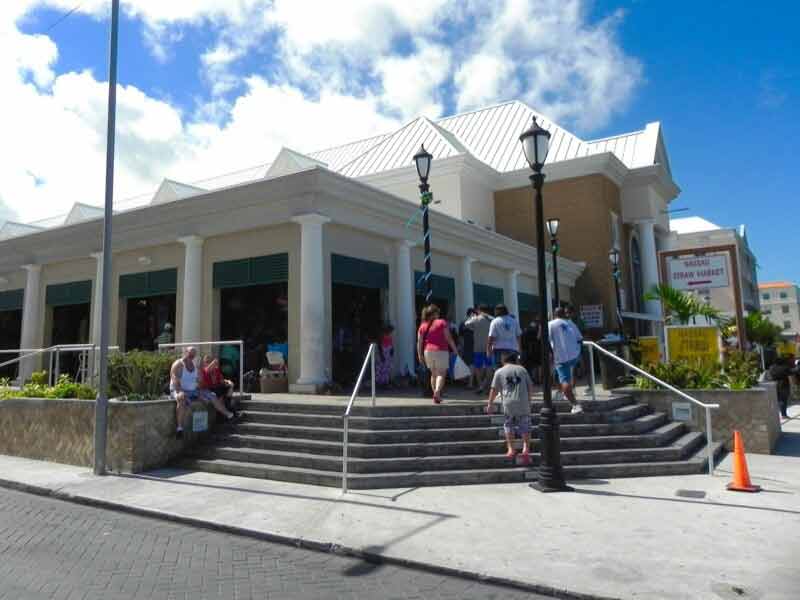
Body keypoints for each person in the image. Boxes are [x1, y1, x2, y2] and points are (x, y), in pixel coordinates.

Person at [170, 347, 238, 439]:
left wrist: (199, 392)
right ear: (185, 352)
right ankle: (179, 428)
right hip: (179, 389)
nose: (192, 356)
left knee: (212, 395)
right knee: (181, 400)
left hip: (193, 391)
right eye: (190, 353)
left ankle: (229, 415)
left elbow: (200, 383)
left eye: (194, 354)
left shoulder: (195, 366)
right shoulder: (178, 364)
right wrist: (179, 392)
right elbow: (175, 380)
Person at [487, 352, 533, 465]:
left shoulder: (499, 371)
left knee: (509, 425)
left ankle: (511, 449)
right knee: (525, 425)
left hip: (508, 403)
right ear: (515, 360)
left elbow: (494, 389)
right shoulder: (522, 370)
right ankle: (526, 449)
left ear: (503, 360)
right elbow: (530, 386)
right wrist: (529, 400)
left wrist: (490, 404)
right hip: (523, 402)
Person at [417, 304, 459, 404]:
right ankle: (437, 392)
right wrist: (455, 349)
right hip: (441, 350)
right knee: (441, 374)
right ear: (435, 313)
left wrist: (419, 355)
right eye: (438, 313)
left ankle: (436, 396)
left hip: (427, 351)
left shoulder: (422, 325)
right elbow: (448, 337)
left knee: (433, 374)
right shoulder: (441, 322)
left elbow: (419, 342)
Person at [549, 307, 584, 414]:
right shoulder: (571, 323)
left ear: (554, 315)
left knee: (564, 381)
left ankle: (575, 404)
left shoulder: (550, 324)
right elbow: (580, 339)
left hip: (561, 357)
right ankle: (565, 392)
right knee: (562, 375)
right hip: (574, 355)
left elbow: (544, 339)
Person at [465, 304, 493, 394]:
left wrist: (473, 318)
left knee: (478, 367)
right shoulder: (491, 319)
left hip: (478, 347)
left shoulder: (476, 318)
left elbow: (467, 324)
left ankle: (480, 385)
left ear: (479, 310)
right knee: (489, 367)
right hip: (489, 347)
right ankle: (487, 386)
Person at [521, 318, 542, 384]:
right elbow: (538, 338)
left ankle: (529, 381)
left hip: (526, 351)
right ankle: (537, 380)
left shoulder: (525, 330)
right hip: (535, 350)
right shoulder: (536, 329)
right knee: (537, 366)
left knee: (528, 367)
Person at [458, 309, 476, 387]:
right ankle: (471, 382)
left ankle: (469, 382)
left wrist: (461, 345)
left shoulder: (463, 322)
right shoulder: (475, 322)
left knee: (468, 363)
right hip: (474, 345)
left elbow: (460, 336)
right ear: (471, 314)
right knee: (472, 364)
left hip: (466, 345)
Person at [376, 324, 395, 388]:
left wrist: (392, 350)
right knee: (381, 368)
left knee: (387, 368)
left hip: (388, 354)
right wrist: (381, 355)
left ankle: (385, 382)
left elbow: (391, 344)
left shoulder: (389, 336)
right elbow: (380, 346)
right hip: (383, 353)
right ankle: (380, 382)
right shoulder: (382, 336)